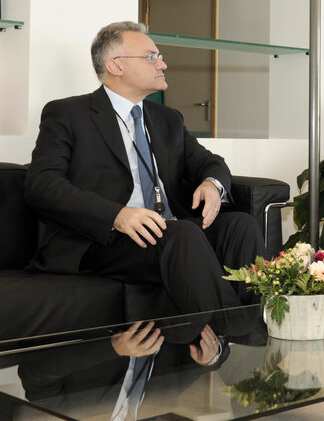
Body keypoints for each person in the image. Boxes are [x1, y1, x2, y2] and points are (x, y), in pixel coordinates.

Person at [24, 21, 266, 360]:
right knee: (180, 234)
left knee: (240, 225)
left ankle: (245, 340)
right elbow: (41, 185)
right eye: (152, 56)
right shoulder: (68, 113)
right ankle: (236, 344)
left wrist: (213, 184)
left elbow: (210, 162)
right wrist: (117, 215)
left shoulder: (168, 119)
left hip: (168, 233)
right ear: (116, 66)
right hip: (106, 239)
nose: (163, 64)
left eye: (160, 56)